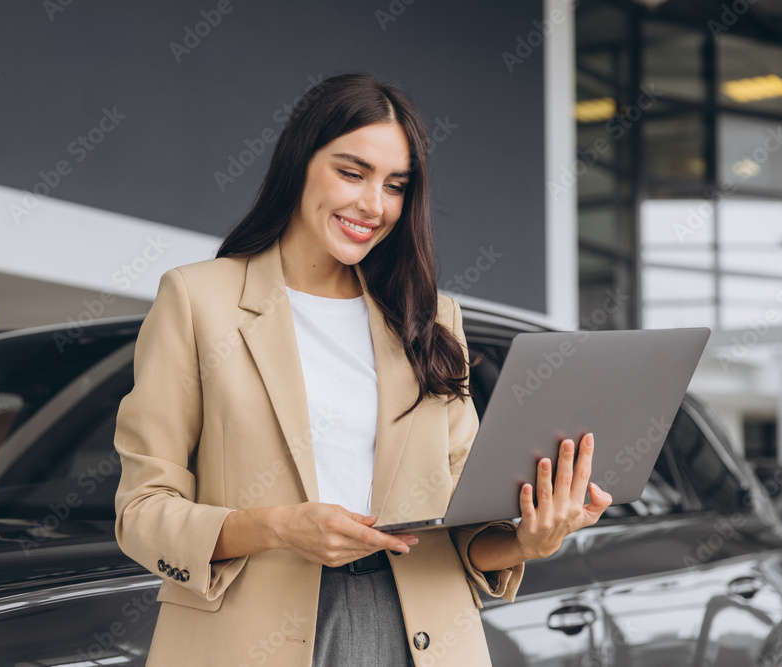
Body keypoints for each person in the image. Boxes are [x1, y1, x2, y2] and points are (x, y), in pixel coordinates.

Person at [112, 72, 612, 666]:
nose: (373, 206)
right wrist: (278, 526)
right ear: (300, 162)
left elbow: (461, 535)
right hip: (252, 638)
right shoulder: (198, 300)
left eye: (395, 186)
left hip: (418, 635)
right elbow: (142, 513)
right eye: (352, 173)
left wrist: (530, 541)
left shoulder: (430, 319)